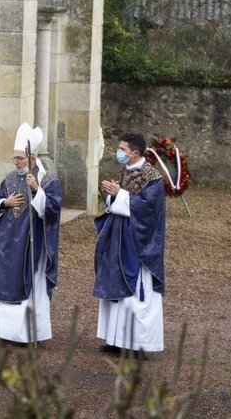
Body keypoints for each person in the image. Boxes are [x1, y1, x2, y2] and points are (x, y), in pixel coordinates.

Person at [0, 124, 62, 344]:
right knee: (6, 282)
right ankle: (5, 333)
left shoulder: (48, 181)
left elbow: (54, 208)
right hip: (7, 244)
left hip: (31, 244)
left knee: (29, 286)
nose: (16, 162)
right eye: (14, 158)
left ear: (33, 158)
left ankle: (28, 334)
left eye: (20, 158)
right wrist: (4, 202)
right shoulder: (9, 179)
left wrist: (37, 190)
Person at [95, 132, 166, 354]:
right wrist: (110, 195)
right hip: (118, 239)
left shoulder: (152, 178)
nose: (119, 153)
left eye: (123, 150)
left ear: (135, 153)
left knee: (136, 291)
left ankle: (137, 343)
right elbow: (119, 200)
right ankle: (115, 339)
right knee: (115, 283)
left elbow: (148, 211)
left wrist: (121, 195)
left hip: (138, 244)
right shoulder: (125, 170)